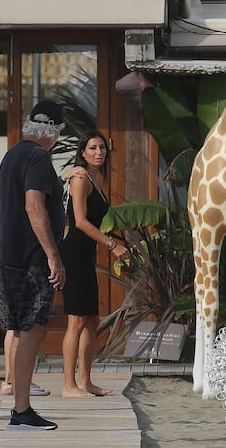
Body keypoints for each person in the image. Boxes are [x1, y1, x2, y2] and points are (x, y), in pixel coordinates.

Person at [0, 100, 84, 430]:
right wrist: (52, 254)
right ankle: (22, 410)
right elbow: (34, 206)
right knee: (33, 331)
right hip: (31, 260)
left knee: (22, 331)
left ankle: (21, 408)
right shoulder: (37, 157)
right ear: (55, 132)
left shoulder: (13, 155)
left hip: (12, 258)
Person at [61, 129, 128, 398]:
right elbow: (79, 221)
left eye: (101, 148)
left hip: (85, 255)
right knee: (76, 322)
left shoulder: (96, 179)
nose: (98, 152)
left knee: (92, 320)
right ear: (82, 152)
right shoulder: (80, 178)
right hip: (73, 254)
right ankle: (68, 385)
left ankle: (86, 381)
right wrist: (112, 244)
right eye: (92, 148)